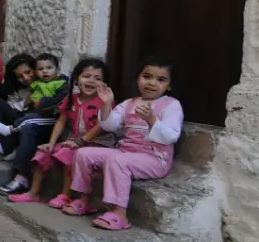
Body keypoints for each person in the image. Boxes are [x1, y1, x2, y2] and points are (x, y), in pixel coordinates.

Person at [65, 56, 183, 230]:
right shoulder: (129, 103)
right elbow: (109, 125)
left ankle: (119, 213)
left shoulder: (171, 105)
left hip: (154, 159)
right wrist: (106, 104)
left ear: (169, 85)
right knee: (83, 153)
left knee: (117, 160)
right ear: (138, 78)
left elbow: (171, 136)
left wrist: (152, 120)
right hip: (126, 153)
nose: (152, 83)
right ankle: (83, 200)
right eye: (147, 76)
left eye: (161, 79)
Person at [9, 58, 114, 207]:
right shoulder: (72, 99)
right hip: (74, 141)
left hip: (96, 143)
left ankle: (65, 195)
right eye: (86, 76)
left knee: (66, 154)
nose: (91, 81)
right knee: (43, 153)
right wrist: (51, 143)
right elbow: (61, 122)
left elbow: (101, 125)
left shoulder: (103, 102)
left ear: (104, 83)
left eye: (97, 78)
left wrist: (81, 141)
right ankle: (34, 193)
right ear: (76, 79)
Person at [0, 54, 72, 196]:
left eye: (49, 68)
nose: (45, 71)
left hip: (50, 120)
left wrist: (41, 102)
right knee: (22, 118)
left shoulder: (62, 83)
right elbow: (28, 103)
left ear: (57, 69)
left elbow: (60, 101)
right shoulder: (37, 85)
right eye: (41, 69)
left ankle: (21, 177)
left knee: (27, 124)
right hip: (34, 117)